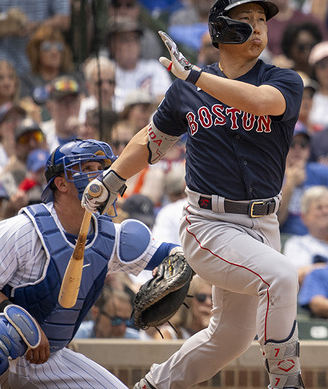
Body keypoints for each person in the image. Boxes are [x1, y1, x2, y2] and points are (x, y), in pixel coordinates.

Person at [83, 1, 305, 388]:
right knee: (281, 277)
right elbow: (151, 140)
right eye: (245, 21)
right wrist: (113, 179)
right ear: (220, 30)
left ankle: (154, 386)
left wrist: (195, 76)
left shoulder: (284, 80)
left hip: (263, 223)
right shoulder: (187, 90)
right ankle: (286, 382)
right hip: (209, 223)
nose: (257, 29)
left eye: (261, 21)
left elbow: (259, 102)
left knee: (229, 337)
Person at [0, 139, 181, 388]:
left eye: (101, 168)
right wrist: (24, 324)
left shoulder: (110, 237)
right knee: (8, 330)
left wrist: (182, 261)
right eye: (88, 168)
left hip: (46, 354)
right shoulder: (24, 228)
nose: (100, 176)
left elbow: (170, 254)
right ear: (60, 183)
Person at [279, 127, 328, 235]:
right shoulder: (274, 175)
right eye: (292, 143)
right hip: (287, 239)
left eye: (303, 144)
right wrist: (290, 184)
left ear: (309, 149)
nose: (298, 149)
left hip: (322, 238)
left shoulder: (321, 171)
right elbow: (278, 220)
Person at [0, 0, 71, 76]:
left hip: (40, 60)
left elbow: (64, 20)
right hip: (7, 57)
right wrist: (6, 26)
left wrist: (34, 27)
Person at [20, 26, 75, 100]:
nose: (54, 51)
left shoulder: (72, 79)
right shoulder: (26, 82)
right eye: (47, 47)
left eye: (59, 46)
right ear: (36, 52)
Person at [74, 286, 148, 340]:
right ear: (95, 313)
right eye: (116, 320)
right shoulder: (75, 337)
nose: (122, 329)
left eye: (127, 321)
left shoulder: (134, 341)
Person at [155, 275, 214, 340]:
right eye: (201, 297)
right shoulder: (168, 334)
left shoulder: (214, 332)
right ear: (187, 300)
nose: (209, 302)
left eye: (212, 298)